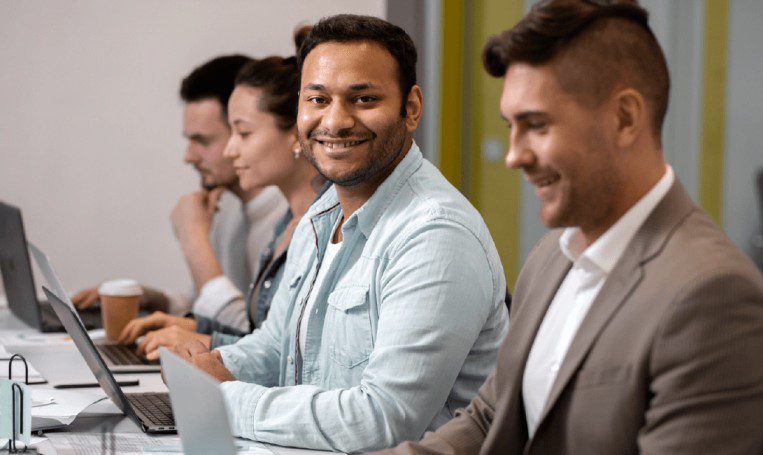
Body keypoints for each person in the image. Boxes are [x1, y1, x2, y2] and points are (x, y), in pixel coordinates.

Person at [380, 1, 763, 453]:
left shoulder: (714, 295)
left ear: (624, 118)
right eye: (511, 127)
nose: (514, 155)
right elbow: (490, 417)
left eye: (536, 125)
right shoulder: (552, 255)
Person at [171, 14, 509, 452]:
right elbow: (278, 348)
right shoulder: (321, 215)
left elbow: (384, 420)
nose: (335, 121)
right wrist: (213, 365)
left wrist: (221, 400)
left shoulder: (435, 234)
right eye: (317, 99)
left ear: (411, 108)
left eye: (363, 98)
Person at [120, 29, 329, 358]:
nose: (232, 149)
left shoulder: (319, 225)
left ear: (296, 133)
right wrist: (193, 325)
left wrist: (193, 239)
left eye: (242, 133)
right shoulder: (281, 220)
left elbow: (283, 355)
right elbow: (260, 332)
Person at [72, 56, 288, 336]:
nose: (188, 157)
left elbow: (254, 336)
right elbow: (208, 306)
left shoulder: (290, 218)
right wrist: (152, 300)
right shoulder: (228, 206)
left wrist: (193, 240)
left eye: (202, 141)